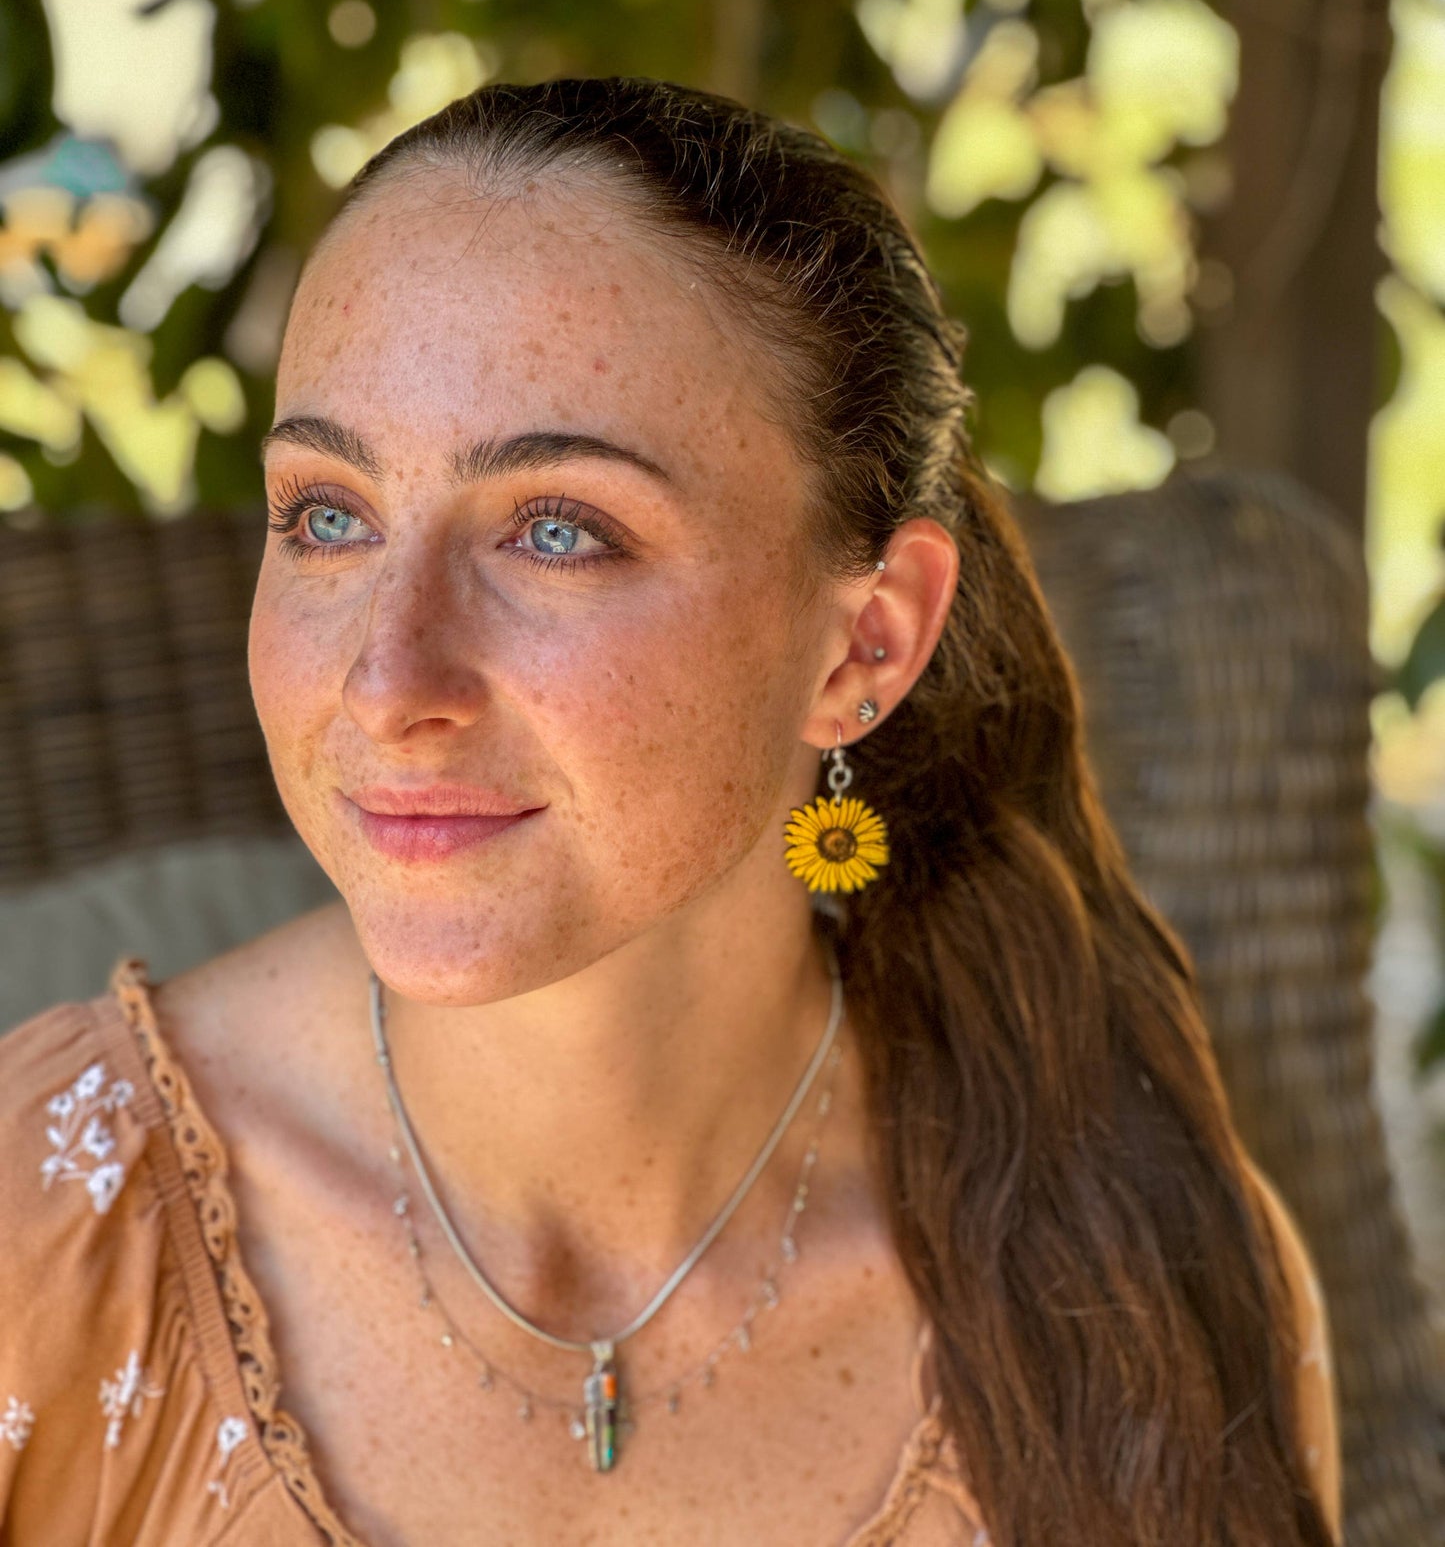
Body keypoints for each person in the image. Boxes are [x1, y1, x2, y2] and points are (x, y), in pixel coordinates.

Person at [0, 78, 1340, 1545]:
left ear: (866, 643)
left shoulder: (1136, 1287)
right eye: (329, 515)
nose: (388, 685)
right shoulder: (43, 1233)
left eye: (557, 530)